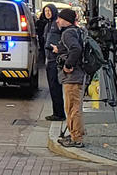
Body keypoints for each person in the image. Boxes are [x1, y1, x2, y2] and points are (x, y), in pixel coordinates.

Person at [51, 8, 85, 148]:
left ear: (65, 20)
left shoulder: (67, 33)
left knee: (72, 107)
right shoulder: (77, 31)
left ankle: (76, 138)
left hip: (72, 77)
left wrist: (68, 65)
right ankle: (75, 134)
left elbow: (76, 49)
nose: (57, 21)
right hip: (78, 75)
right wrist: (60, 50)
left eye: (59, 18)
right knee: (74, 106)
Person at [41, 4, 65, 121]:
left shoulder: (57, 23)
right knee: (52, 87)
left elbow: (64, 39)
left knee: (55, 87)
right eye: (46, 11)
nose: (47, 13)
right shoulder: (47, 25)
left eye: (49, 11)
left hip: (55, 59)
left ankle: (59, 113)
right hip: (49, 59)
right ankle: (57, 112)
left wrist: (58, 49)